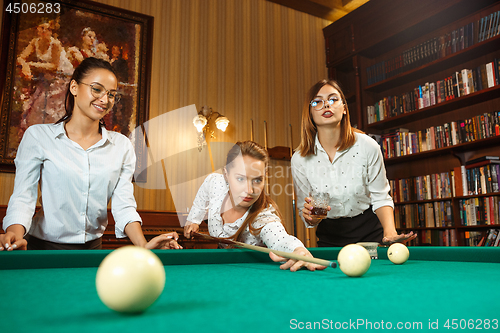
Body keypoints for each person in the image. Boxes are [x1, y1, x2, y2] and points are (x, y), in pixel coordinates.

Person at [0, 57, 181, 251]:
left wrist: (144, 245)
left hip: (93, 251)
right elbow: (23, 197)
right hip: (43, 248)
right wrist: (15, 237)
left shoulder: (121, 145)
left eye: (111, 94)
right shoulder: (38, 136)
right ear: (74, 88)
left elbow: (124, 205)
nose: (105, 100)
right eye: (97, 89)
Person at [291, 79, 416, 247]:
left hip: (370, 233)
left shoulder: (368, 146)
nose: (326, 105)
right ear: (310, 113)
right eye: (317, 102)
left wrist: (390, 233)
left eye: (333, 99)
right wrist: (311, 217)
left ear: (344, 108)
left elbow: (380, 197)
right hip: (329, 238)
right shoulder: (299, 158)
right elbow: (307, 213)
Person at [184, 141, 325, 272]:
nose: (250, 191)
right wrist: (193, 220)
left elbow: (280, 238)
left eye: (257, 180)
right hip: (219, 268)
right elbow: (202, 198)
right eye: (240, 178)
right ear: (226, 175)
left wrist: (297, 249)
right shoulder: (215, 183)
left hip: (251, 274)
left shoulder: (263, 217)